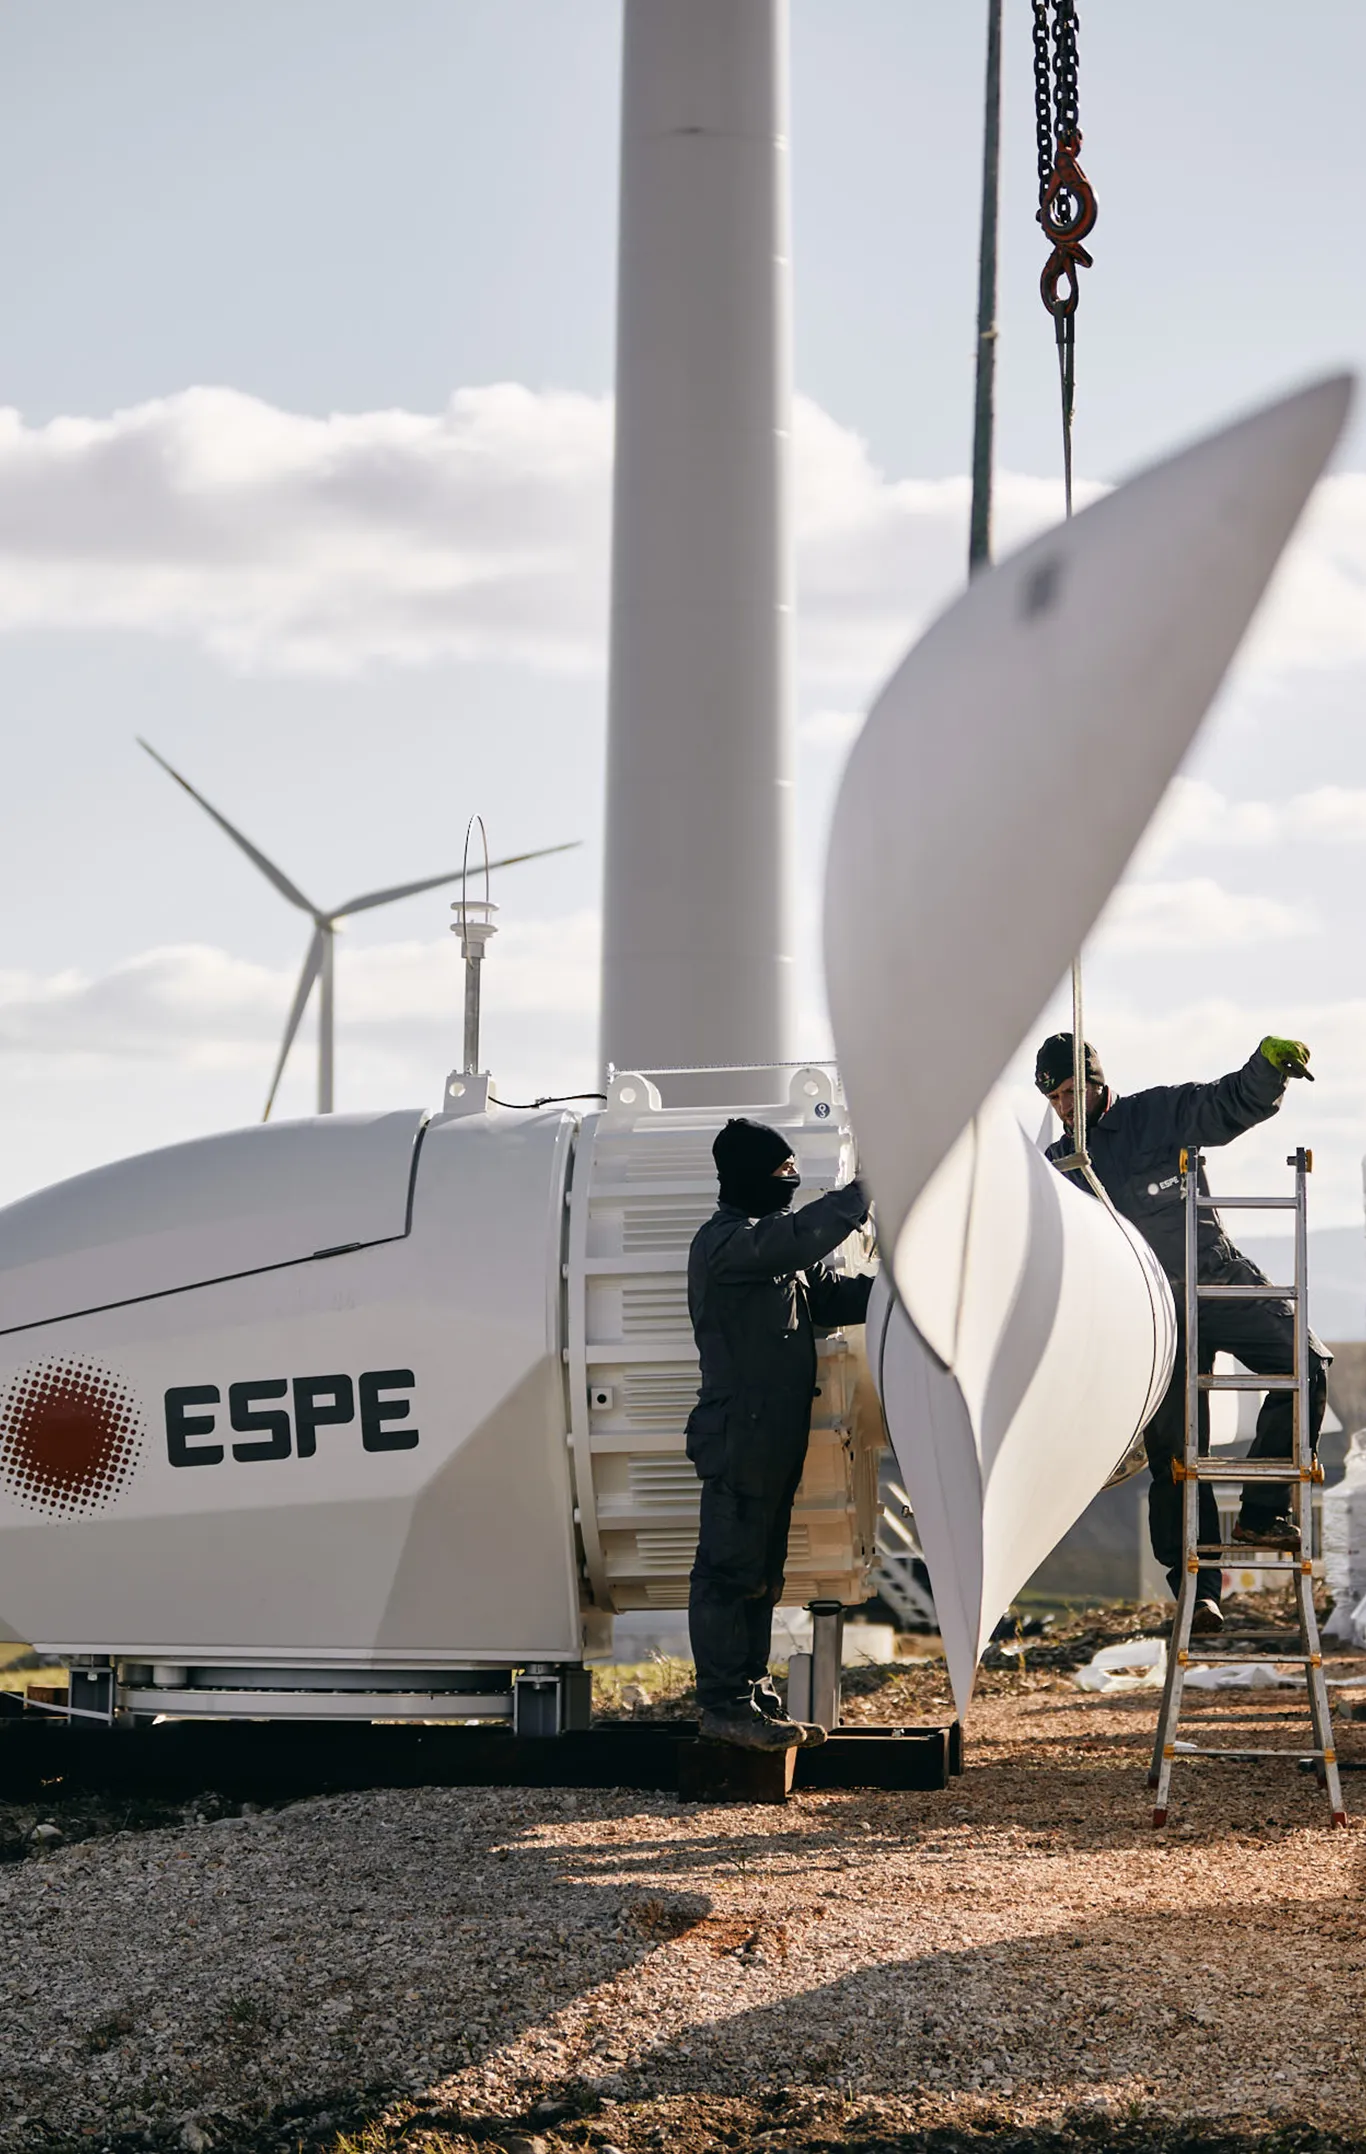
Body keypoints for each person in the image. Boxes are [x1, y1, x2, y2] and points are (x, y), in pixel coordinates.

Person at [1035, 1032, 1328, 1637]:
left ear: (1097, 1080)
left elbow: (1226, 1105)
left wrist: (1265, 1072)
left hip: (1216, 1281)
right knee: (1176, 1459)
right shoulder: (1057, 1172)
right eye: (1056, 1098)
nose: (1066, 1107)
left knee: (1306, 1363)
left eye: (1072, 1091)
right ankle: (1199, 1596)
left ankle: (1263, 1514)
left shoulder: (1156, 1115)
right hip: (1149, 1316)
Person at [685, 1118, 874, 1748]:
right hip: (739, 1434)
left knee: (761, 1573)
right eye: (780, 1171)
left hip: (769, 1437)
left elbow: (836, 1296)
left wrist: (906, 1291)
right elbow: (795, 1239)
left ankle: (751, 1699)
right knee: (728, 1569)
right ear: (746, 1177)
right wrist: (863, 1193)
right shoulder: (728, 1244)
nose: (790, 1181)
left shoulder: (769, 1253)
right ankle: (724, 1706)